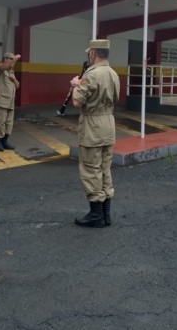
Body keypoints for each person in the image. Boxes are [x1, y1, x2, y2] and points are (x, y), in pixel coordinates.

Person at [71, 39, 120, 228]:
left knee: (91, 169)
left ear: (93, 53)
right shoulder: (113, 73)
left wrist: (75, 85)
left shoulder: (91, 74)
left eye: (89, 53)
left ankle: (96, 215)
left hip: (93, 125)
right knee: (105, 168)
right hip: (108, 123)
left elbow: (77, 102)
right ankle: (106, 214)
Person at [0, 52, 21, 152]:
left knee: (9, 123)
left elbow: (17, 85)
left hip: (10, 102)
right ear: (5, 60)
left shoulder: (11, 71)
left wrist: (14, 80)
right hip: (0, 101)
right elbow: (3, 67)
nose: (13, 63)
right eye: (11, 60)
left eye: (13, 60)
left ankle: (5, 141)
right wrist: (14, 59)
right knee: (0, 123)